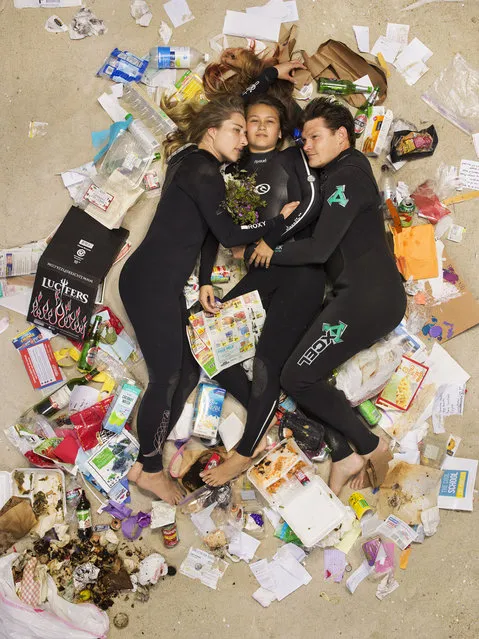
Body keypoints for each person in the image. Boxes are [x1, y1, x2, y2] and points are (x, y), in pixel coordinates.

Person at [202, 98, 406, 495]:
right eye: (303, 137)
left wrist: (268, 251)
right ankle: (345, 453)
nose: (307, 145)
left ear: (342, 136)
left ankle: (369, 444)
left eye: (315, 137)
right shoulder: (337, 177)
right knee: (295, 366)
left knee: (297, 376)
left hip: (370, 300)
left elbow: (318, 250)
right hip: (356, 297)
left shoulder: (347, 178)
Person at [119, 95, 299, 504]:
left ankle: (145, 457)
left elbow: (208, 230)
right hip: (149, 283)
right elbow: (233, 234)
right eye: (237, 130)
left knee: (184, 372)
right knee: (165, 377)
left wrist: (203, 280)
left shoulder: (190, 162)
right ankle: (149, 469)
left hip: (158, 282)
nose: (243, 139)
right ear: (211, 131)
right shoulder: (204, 171)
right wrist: (278, 219)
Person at [198, 96, 326, 487]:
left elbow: (312, 203)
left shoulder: (292, 158)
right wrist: (205, 277)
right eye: (252, 121)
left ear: (281, 128)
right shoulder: (227, 167)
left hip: (299, 268)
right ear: (241, 127)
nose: (260, 127)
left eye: (269, 121)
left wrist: (272, 237)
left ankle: (245, 449)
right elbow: (211, 228)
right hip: (261, 268)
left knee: (269, 356)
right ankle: (265, 405)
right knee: (201, 331)